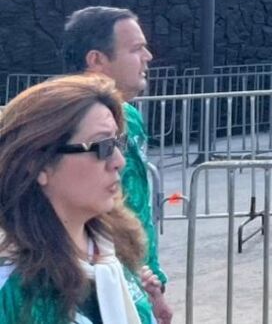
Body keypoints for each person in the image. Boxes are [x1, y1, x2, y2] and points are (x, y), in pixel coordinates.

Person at [0, 74, 163, 323]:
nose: (119, 161)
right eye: (101, 146)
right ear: (37, 166)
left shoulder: (113, 250)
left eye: (118, 143)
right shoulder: (11, 288)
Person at [62, 6, 170, 320]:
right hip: (105, 282)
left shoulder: (126, 116)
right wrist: (148, 289)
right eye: (136, 49)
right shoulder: (86, 121)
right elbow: (124, 210)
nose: (148, 56)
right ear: (96, 60)